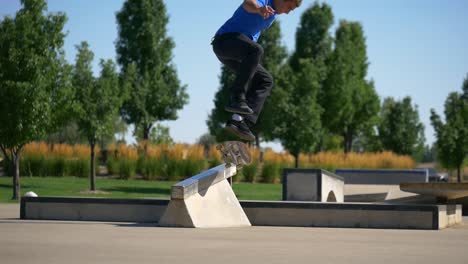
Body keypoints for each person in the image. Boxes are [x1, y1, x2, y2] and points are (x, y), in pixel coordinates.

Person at [212, 0, 302, 141]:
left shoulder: (271, 16)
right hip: (224, 41)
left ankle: (239, 121)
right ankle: (236, 97)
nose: (287, 12)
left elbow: (252, 33)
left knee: (265, 80)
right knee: (256, 50)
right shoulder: (264, 2)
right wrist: (260, 9)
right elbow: (248, 3)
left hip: (237, 52)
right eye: (289, 7)